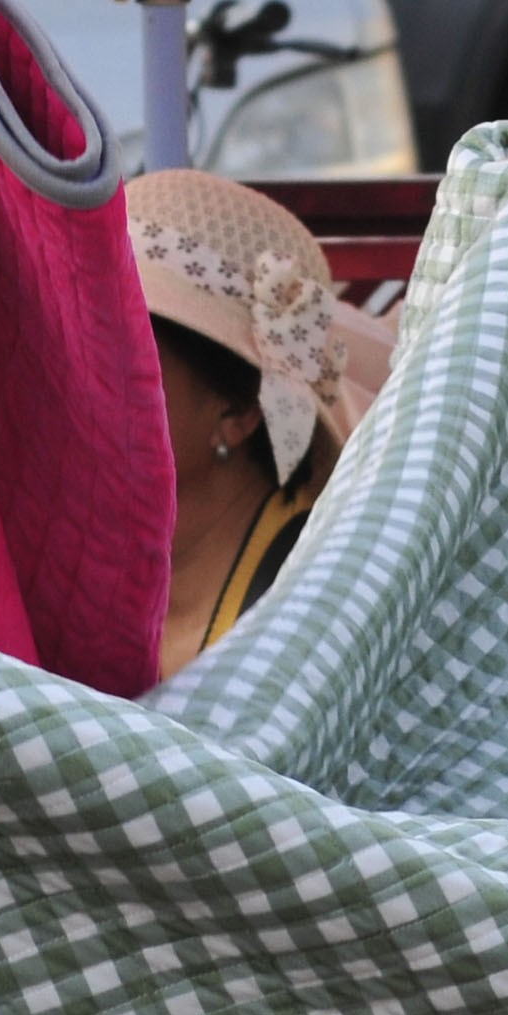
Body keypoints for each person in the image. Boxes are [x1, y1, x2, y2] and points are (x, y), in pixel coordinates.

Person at [130, 168, 353, 676]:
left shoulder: (307, 621)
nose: (75, 385)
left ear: (238, 412)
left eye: (122, 357)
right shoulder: (73, 562)